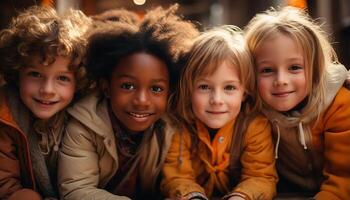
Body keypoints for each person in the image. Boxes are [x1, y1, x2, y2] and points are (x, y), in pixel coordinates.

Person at [58, 5, 198, 200]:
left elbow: (175, 179)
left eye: (156, 89)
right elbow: (76, 190)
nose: (141, 101)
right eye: (127, 86)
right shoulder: (84, 124)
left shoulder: (170, 126)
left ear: (169, 91)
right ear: (106, 87)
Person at [244, 6, 350, 199]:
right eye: (267, 70)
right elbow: (258, 170)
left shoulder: (339, 104)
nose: (281, 80)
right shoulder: (256, 112)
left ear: (315, 69)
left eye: (294, 67)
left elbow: (344, 177)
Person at [161, 26, 277, 200]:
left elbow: (260, 176)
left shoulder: (254, 126)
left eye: (229, 87)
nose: (217, 99)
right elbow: (176, 177)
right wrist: (192, 197)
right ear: (189, 89)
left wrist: (241, 197)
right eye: (204, 87)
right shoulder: (178, 126)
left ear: (244, 92)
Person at [0, 6, 91, 200]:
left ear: (78, 82)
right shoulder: (4, 118)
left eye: (62, 78)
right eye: (35, 74)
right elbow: (5, 188)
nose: (47, 90)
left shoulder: (87, 117)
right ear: (17, 73)